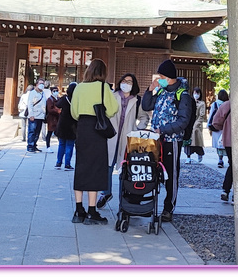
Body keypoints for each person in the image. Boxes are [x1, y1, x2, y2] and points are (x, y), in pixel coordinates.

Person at [140, 59, 193, 222]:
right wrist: (150, 90)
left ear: (169, 77)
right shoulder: (162, 91)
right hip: (156, 139)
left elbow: (183, 121)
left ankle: (168, 207)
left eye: (161, 76)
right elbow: (147, 106)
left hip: (172, 140)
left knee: (171, 174)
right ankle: (147, 202)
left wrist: (163, 130)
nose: (159, 78)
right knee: (152, 171)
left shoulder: (182, 95)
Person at [69, 60, 119, 225]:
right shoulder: (103, 87)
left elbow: (74, 112)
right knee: (96, 168)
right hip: (97, 129)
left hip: (82, 128)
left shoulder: (79, 87)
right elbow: (112, 110)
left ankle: (78, 210)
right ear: (102, 72)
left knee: (81, 167)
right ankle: (92, 210)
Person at [97, 72, 151, 209]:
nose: (126, 84)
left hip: (128, 139)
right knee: (107, 166)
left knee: (125, 168)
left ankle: (124, 197)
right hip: (111, 136)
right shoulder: (112, 96)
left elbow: (144, 117)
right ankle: (106, 192)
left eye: (130, 82)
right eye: (124, 80)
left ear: (133, 85)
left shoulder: (137, 100)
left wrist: (137, 129)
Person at [210, 96, 233, 201]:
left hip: (229, 140)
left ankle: (226, 190)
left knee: (232, 165)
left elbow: (216, 122)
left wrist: (225, 127)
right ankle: (236, 193)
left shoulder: (226, 105)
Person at [54, 83, 77, 170]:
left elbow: (57, 104)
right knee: (70, 145)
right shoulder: (77, 100)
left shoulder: (64, 99)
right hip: (73, 124)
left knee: (61, 144)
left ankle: (58, 162)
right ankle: (67, 164)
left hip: (63, 124)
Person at [22, 78, 48, 152]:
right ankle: (30, 145)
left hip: (41, 115)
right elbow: (30, 104)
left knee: (37, 132)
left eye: (43, 84)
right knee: (32, 131)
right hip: (34, 115)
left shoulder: (43, 93)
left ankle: (34, 145)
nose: (42, 85)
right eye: (40, 84)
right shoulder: (33, 93)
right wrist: (31, 115)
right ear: (36, 84)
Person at [184, 87, 207, 163]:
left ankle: (199, 153)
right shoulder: (190, 101)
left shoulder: (202, 103)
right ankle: (188, 157)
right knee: (188, 141)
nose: (196, 95)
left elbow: (202, 115)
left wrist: (196, 124)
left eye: (197, 93)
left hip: (197, 125)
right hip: (189, 123)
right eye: (194, 93)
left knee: (197, 141)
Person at [207, 89, 229, 168]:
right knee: (227, 144)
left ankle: (220, 159)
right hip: (226, 126)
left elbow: (211, 116)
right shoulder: (229, 104)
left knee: (218, 144)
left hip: (217, 126)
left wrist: (209, 126)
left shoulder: (215, 104)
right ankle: (229, 159)